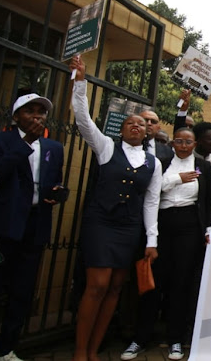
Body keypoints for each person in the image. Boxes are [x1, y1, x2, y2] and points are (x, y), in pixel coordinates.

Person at [69, 55, 161, 361]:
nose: (136, 127)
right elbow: (83, 120)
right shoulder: (107, 147)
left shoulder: (153, 162)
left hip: (128, 228)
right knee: (96, 285)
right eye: (130, 123)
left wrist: (151, 240)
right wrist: (79, 83)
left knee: (115, 288)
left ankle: (94, 350)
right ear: (121, 130)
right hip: (101, 223)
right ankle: (80, 352)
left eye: (141, 124)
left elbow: (151, 201)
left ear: (147, 132)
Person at [121, 128, 211, 361]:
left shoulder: (202, 166)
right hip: (161, 224)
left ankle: (175, 339)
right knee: (154, 283)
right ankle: (140, 338)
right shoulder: (160, 163)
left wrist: (208, 229)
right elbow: (151, 191)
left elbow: (209, 199)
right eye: (179, 141)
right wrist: (177, 179)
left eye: (188, 142)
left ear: (195, 143)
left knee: (181, 283)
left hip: (189, 227)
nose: (183, 146)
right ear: (173, 143)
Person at [0, 91, 65, 361]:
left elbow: (54, 179)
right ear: (16, 116)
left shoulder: (54, 147)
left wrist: (57, 191)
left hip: (36, 224)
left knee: (22, 292)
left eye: (42, 111)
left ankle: (5, 349)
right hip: (4, 225)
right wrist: (26, 143)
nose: (38, 115)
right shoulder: (1, 140)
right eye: (30, 110)